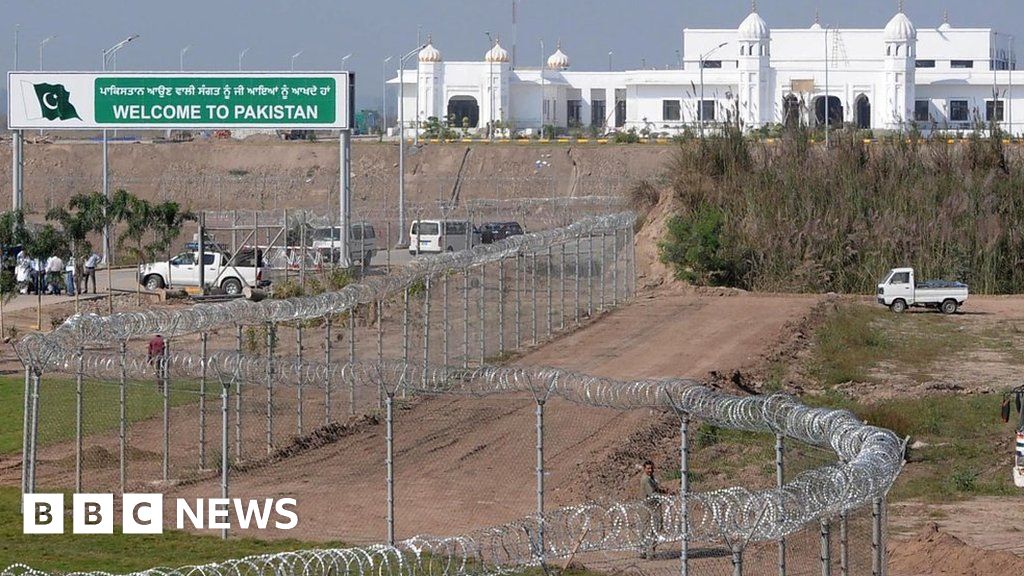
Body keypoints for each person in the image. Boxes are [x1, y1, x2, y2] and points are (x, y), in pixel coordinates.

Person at [640, 459, 672, 559]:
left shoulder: (651, 478)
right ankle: (649, 553)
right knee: (651, 529)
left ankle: (644, 551)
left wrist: (663, 491)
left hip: (651, 506)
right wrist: (664, 498)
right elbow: (652, 494)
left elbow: (655, 489)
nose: (650, 470)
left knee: (649, 529)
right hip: (649, 507)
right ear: (644, 469)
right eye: (648, 468)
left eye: (651, 468)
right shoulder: (646, 479)